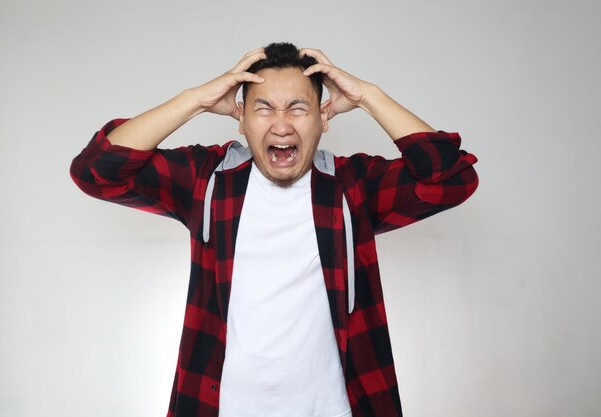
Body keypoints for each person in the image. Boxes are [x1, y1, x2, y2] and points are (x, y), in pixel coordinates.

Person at [70, 42, 478, 417]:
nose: (282, 125)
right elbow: (96, 171)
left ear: (323, 119)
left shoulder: (351, 187)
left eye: (298, 108)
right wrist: (193, 101)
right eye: (264, 108)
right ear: (241, 121)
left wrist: (370, 97)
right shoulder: (209, 181)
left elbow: (451, 179)